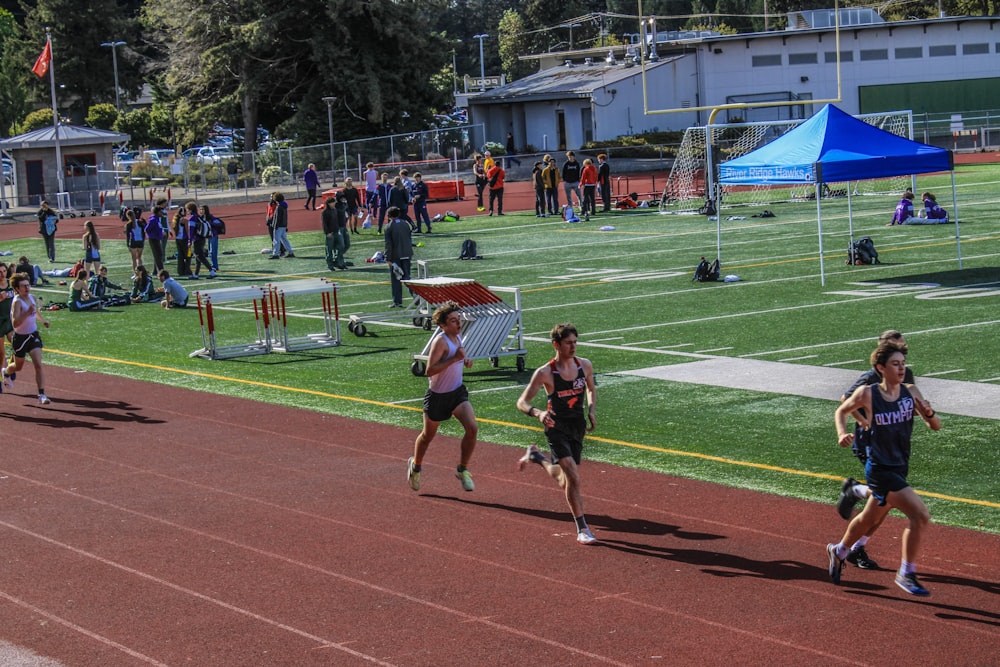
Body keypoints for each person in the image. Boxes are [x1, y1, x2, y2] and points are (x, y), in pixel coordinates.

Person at [826, 338, 941, 596]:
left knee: (870, 517)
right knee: (920, 515)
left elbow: (936, 426)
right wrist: (842, 433)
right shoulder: (868, 393)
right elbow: (841, 410)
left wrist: (929, 413)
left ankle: (839, 550)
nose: (901, 369)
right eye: (895, 364)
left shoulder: (911, 391)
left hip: (900, 464)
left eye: (903, 364)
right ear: (881, 368)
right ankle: (906, 572)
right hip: (880, 469)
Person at [834, 330, 917, 570]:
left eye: (904, 352)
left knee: (884, 501)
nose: (901, 359)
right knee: (887, 500)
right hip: (871, 446)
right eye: (895, 352)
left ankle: (856, 491)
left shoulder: (906, 374)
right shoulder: (870, 378)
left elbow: (907, 400)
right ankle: (856, 546)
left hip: (896, 448)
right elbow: (845, 399)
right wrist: (862, 421)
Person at [516, 323, 599, 545]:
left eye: (575, 342)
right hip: (556, 427)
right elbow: (522, 402)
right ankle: (582, 528)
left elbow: (591, 389)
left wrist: (591, 409)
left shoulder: (585, 365)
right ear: (556, 344)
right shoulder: (545, 373)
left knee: (566, 479)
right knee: (572, 475)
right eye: (568, 343)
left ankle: (536, 457)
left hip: (577, 427)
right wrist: (538, 413)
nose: (573, 347)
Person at [406, 301, 479, 493]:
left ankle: (462, 469)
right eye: (453, 321)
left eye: (459, 319)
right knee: (428, 436)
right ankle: (416, 465)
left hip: (457, 393)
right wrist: (454, 359)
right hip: (438, 397)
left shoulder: (458, 337)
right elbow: (430, 371)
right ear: (443, 325)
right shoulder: (440, 341)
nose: (458, 323)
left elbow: (458, 358)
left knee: (472, 429)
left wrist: (465, 360)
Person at [3, 273, 52, 404]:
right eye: (23, 286)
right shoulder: (17, 302)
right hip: (20, 338)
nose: (27, 288)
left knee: (38, 364)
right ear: (17, 289)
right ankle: (6, 373)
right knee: (18, 367)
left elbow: (35, 312)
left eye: (28, 285)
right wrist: (27, 312)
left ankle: (41, 394)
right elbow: (15, 323)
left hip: (33, 335)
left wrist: (43, 321)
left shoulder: (32, 297)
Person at [383, 206, 412, 308]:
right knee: (408, 278)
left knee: (396, 279)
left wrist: (387, 258)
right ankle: (417, 297)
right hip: (407, 254)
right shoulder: (405, 224)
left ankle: (397, 301)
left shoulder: (389, 227)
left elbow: (388, 244)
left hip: (396, 255)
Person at [186, 201, 216, 278]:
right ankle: (196, 274)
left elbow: (191, 230)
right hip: (202, 238)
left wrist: (190, 240)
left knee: (199, 256)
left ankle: (211, 271)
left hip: (197, 239)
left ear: (190, 210)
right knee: (198, 257)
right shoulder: (199, 216)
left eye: (187, 210)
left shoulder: (192, 218)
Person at [321, 194, 349, 271]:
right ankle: (330, 265)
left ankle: (338, 261)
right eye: (332, 203)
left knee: (342, 246)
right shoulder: (325, 212)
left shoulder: (335, 210)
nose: (334, 204)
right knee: (329, 249)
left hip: (337, 231)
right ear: (328, 203)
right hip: (330, 233)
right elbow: (324, 224)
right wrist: (327, 233)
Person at [0, 264, 14, 390]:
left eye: (4, 271)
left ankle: (8, 370)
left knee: (18, 347)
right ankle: (0, 380)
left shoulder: (11, 284)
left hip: (9, 321)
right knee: (1, 353)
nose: (2, 274)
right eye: (0, 271)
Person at [269, 193, 295, 259]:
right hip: (283, 225)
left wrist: (275, 226)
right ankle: (290, 252)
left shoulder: (279, 207)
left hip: (278, 226)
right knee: (284, 239)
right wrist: (285, 226)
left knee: (276, 240)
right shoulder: (284, 206)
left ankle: (275, 254)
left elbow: (277, 218)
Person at [200, 204, 224, 272]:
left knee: (213, 251)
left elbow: (218, 223)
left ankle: (215, 266)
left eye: (203, 209)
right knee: (210, 252)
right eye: (200, 209)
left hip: (213, 235)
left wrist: (211, 223)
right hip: (208, 236)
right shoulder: (201, 218)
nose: (201, 211)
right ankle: (213, 265)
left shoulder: (210, 217)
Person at [144, 204, 166, 274]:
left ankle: (155, 271)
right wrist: (153, 234)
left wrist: (161, 233)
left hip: (157, 239)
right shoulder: (153, 220)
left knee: (157, 255)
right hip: (153, 239)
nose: (162, 213)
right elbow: (147, 229)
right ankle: (161, 271)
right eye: (160, 212)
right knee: (158, 255)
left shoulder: (157, 219)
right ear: (157, 212)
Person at [124, 207, 145, 276]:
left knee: (134, 258)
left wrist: (128, 244)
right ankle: (142, 272)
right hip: (140, 241)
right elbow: (143, 232)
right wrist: (143, 240)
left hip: (133, 242)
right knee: (139, 258)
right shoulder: (140, 222)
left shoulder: (128, 224)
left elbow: (128, 236)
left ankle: (136, 273)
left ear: (128, 216)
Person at [172, 207, 191, 277]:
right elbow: (187, 231)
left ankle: (180, 271)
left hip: (178, 239)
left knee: (180, 256)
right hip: (184, 239)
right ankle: (187, 270)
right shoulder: (184, 220)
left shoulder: (175, 220)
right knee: (188, 255)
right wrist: (189, 239)